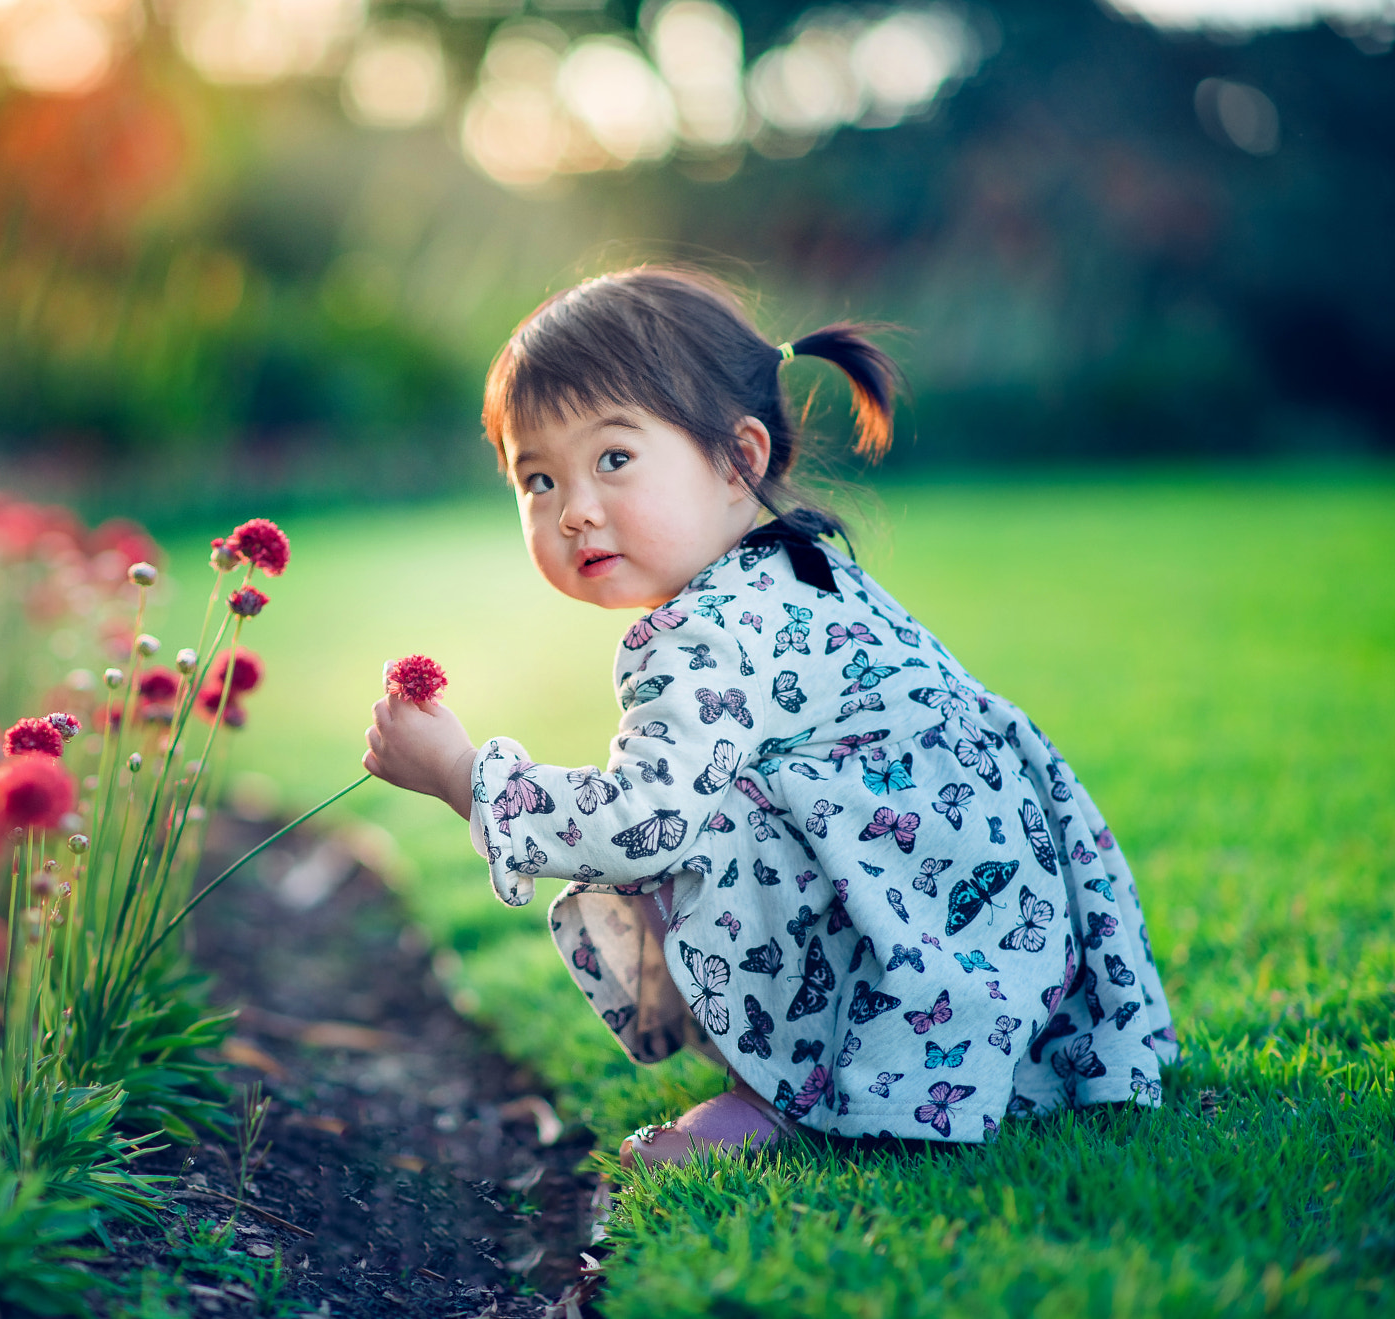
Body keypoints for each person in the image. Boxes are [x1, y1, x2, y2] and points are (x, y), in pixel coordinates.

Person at [361, 267, 1176, 1164]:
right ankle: (898, 1064)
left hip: (926, 919)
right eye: (539, 479)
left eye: (614, 459)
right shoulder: (798, 569)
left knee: (701, 823)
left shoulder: (707, 632)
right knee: (731, 799)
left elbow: (643, 825)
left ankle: (787, 1098)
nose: (576, 510)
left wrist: (459, 773)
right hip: (980, 920)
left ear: (741, 458)